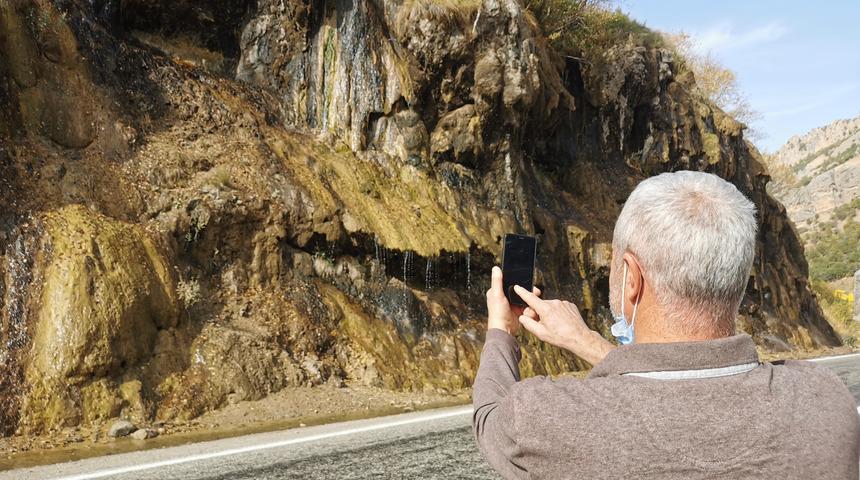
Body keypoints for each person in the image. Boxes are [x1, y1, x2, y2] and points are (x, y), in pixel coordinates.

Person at [472, 170, 860, 479]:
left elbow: (490, 414)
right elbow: (681, 385)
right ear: (738, 278)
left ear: (631, 277)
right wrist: (586, 342)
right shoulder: (824, 401)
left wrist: (502, 331)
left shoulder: (548, 418)